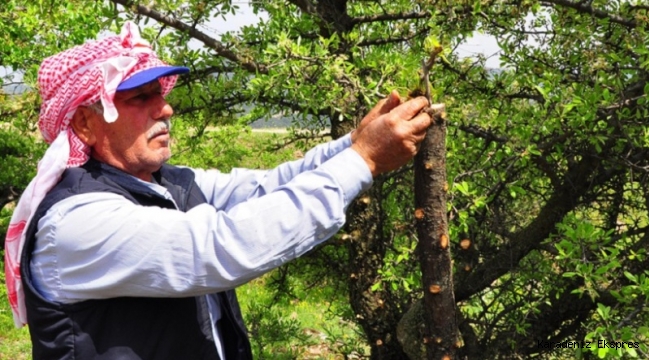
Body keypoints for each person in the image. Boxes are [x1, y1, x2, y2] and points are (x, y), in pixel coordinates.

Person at [3, 22, 434, 359]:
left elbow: (269, 186)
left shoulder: (169, 183)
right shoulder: (75, 223)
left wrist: (355, 142)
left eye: (163, 92)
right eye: (140, 97)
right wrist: (364, 158)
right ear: (84, 124)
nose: (166, 107)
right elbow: (218, 247)